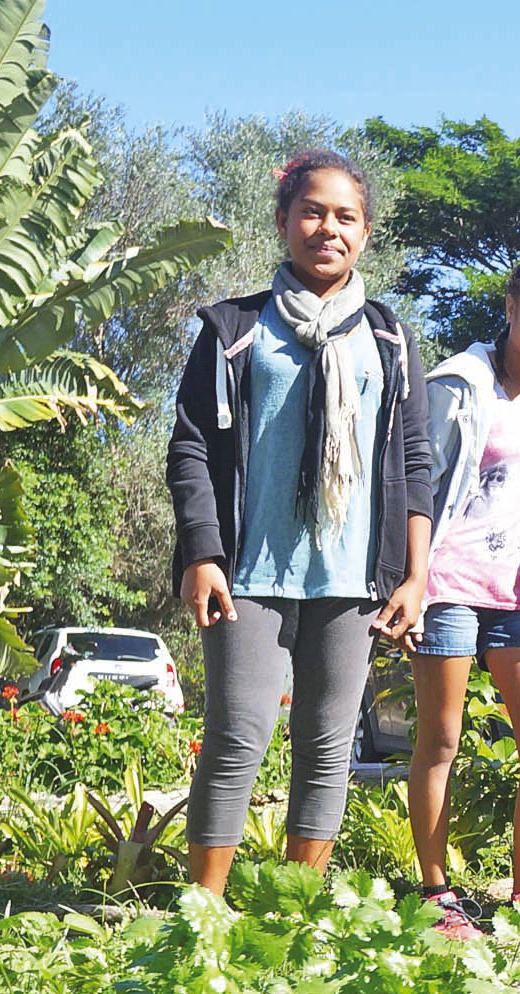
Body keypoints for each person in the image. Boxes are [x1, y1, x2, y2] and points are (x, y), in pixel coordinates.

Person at [166, 149, 432, 896]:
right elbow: (189, 448)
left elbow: (416, 460)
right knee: (236, 736)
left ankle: (292, 909)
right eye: (312, 212)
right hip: (248, 569)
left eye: (346, 216)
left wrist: (414, 574)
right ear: (283, 221)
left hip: (354, 577)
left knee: (326, 745)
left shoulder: (388, 338)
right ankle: (204, 916)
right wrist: (202, 554)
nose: (328, 228)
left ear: (366, 232)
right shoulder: (232, 329)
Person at [407, 256, 520, 937]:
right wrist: (409, 579)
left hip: (518, 596)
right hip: (447, 586)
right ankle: (435, 895)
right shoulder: (457, 384)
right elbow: (417, 484)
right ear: (510, 308)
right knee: (441, 739)